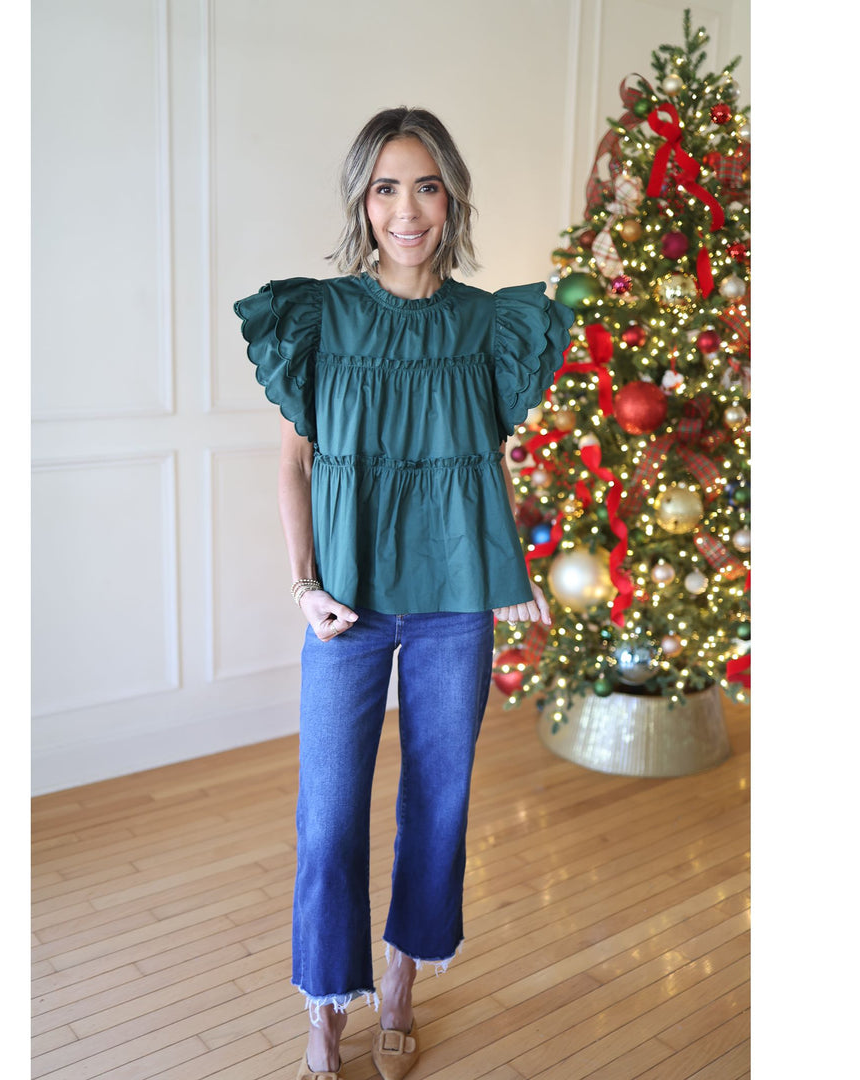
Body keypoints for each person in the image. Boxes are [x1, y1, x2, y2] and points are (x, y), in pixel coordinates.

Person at [234, 106, 575, 1080]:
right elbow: (294, 467)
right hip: (347, 604)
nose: (407, 208)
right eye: (387, 187)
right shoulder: (321, 318)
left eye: (425, 184)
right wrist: (304, 585)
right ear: (363, 202)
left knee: (439, 801)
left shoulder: (487, 326)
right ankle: (323, 1004)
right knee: (329, 814)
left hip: (452, 607)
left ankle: (399, 984)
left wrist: (505, 576)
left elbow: (481, 465)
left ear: (450, 195)